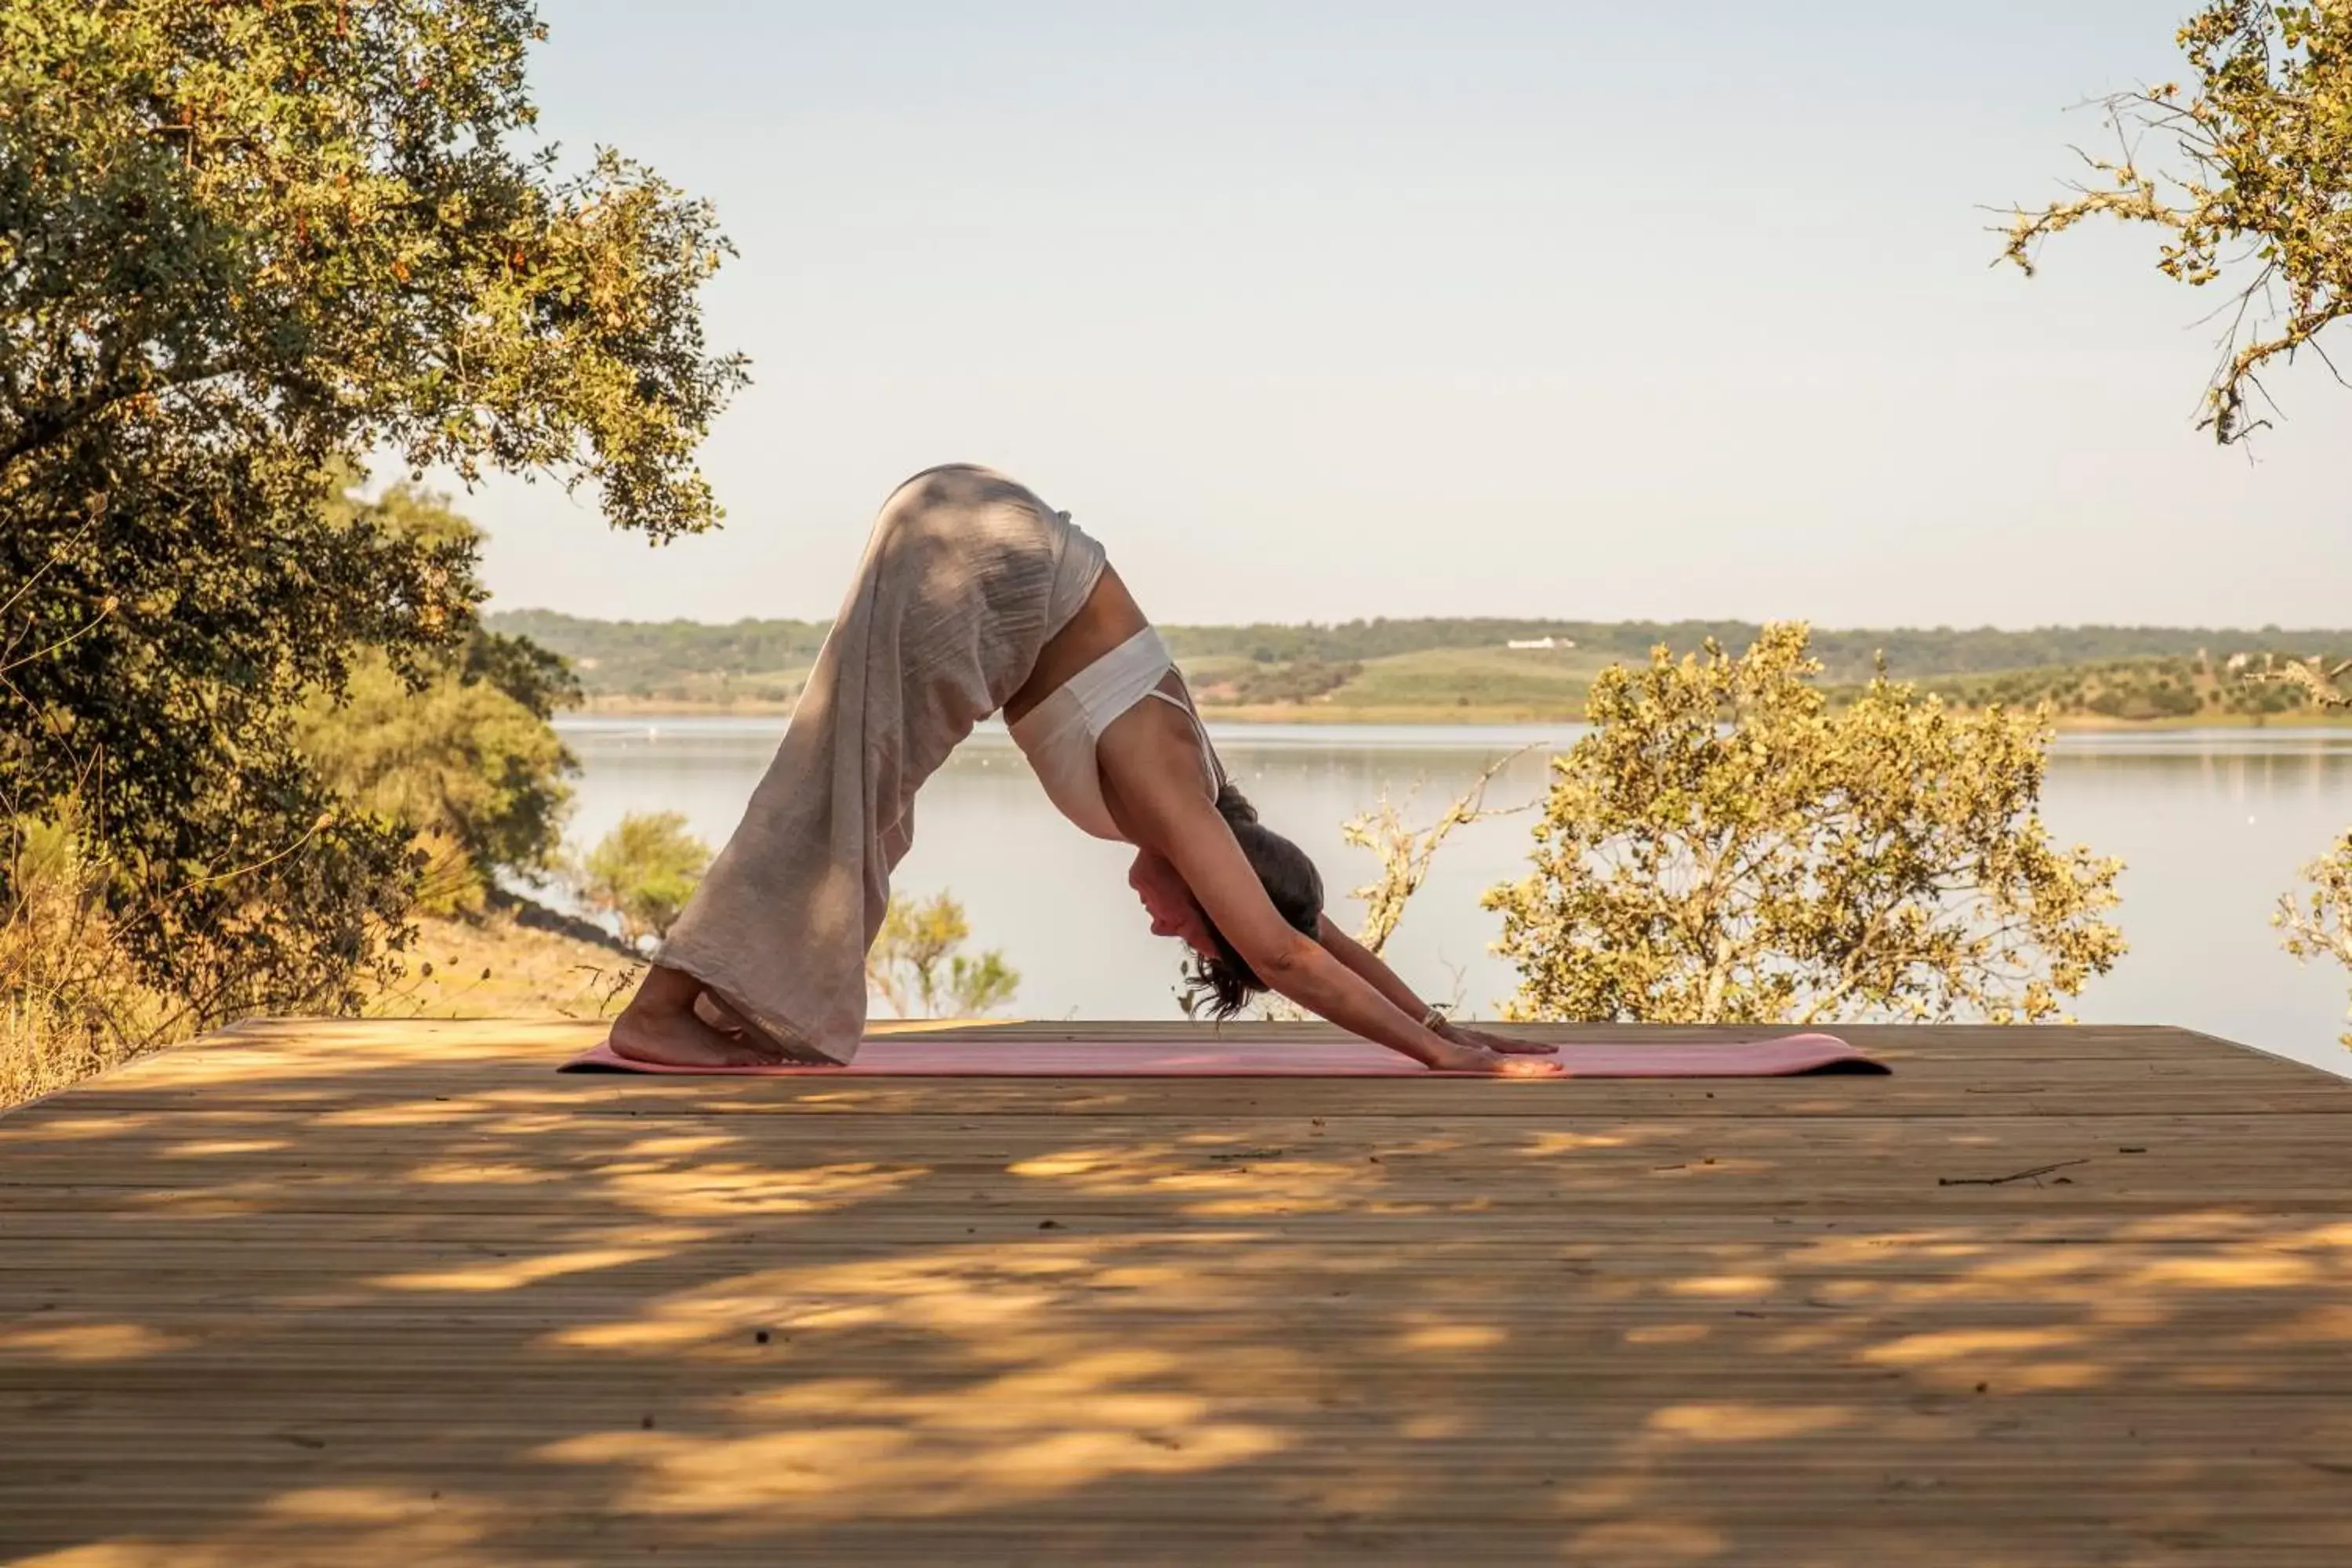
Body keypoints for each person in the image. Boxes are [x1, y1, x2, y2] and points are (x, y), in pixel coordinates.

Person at [608, 464, 1560, 1076]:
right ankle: (660, 1010)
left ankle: (702, 999)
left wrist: (1443, 1023)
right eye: (1192, 926)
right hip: (983, 553)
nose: (1160, 922)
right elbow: (1280, 951)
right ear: (1210, 884)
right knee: (840, 789)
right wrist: (1446, 1061)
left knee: (858, 796)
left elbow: (1305, 925)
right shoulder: (1171, 791)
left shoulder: (1212, 816)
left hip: (976, 521)